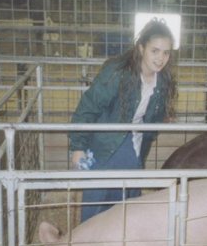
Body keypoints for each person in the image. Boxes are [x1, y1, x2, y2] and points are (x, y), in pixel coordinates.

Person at [69, 19, 178, 222]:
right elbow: (88, 107)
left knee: (127, 202)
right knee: (98, 198)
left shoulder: (162, 81)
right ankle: (90, 244)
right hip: (105, 140)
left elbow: (152, 124)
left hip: (134, 143)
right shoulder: (117, 72)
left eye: (166, 53)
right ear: (141, 48)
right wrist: (78, 146)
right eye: (155, 50)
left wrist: (143, 148)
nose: (160, 58)